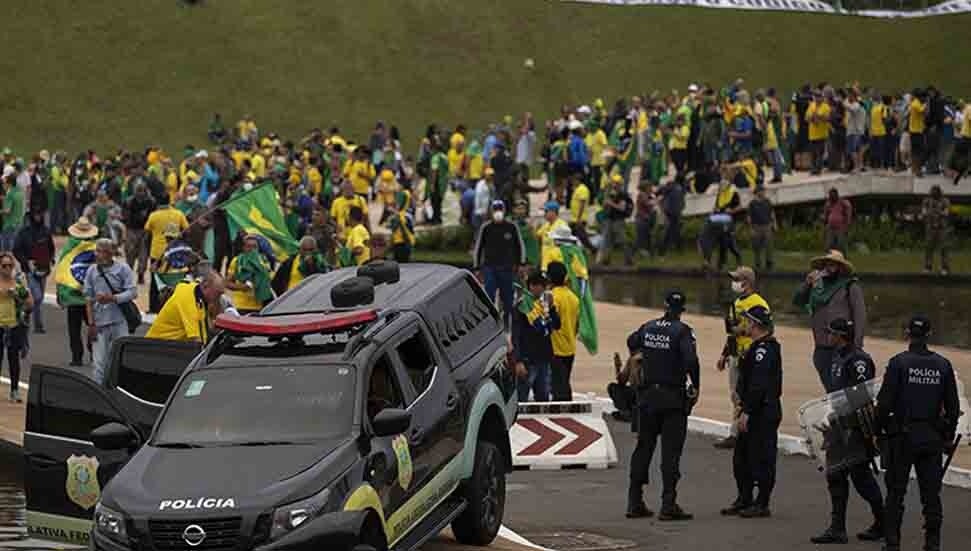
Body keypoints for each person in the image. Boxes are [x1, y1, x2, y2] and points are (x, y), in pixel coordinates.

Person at [876, 316, 960, 551]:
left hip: (902, 436)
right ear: (929, 335)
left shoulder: (898, 363)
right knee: (931, 496)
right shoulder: (943, 365)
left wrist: (878, 431)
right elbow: (953, 408)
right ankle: (932, 544)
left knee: (895, 493)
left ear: (907, 334)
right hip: (931, 437)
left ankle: (892, 544)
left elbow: (884, 404)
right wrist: (948, 436)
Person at [625, 291, 699, 521]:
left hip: (647, 397)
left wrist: (639, 357)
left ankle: (634, 501)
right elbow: (690, 360)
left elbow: (631, 340)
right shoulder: (683, 331)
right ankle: (668, 504)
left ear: (664, 305)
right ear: (682, 309)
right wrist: (696, 384)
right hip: (672, 398)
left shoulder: (648, 326)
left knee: (643, 448)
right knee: (671, 453)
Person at [810, 318, 885, 544]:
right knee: (835, 475)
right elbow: (836, 392)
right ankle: (837, 527)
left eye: (831, 333)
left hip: (853, 427)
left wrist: (846, 419)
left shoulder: (859, 360)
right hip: (837, 425)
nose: (828, 336)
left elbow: (862, 396)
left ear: (841, 335)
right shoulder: (837, 356)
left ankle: (883, 521)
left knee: (861, 478)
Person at [721, 305, 781, 519]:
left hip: (762, 412)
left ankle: (762, 502)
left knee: (762, 457)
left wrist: (747, 411)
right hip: (749, 408)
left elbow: (759, 385)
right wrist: (738, 397)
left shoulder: (765, 350)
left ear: (755, 324)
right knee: (741, 458)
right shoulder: (755, 347)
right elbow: (746, 380)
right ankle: (744, 498)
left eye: (746, 321)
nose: (742, 325)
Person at [793, 250, 866, 390]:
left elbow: (860, 316)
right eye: (827, 263)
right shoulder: (817, 286)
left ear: (841, 267)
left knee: (845, 390)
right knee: (831, 391)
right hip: (821, 347)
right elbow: (797, 301)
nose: (830, 266)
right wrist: (807, 284)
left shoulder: (850, 286)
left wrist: (857, 345)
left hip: (843, 348)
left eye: (834, 264)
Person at [714, 267, 769, 450]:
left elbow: (767, 328)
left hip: (751, 354)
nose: (734, 283)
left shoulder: (758, 303)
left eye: (737, 279)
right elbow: (732, 333)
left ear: (747, 282)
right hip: (736, 354)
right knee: (736, 395)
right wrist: (724, 354)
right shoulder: (736, 302)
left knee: (749, 394)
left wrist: (743, 331)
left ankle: (743, 433)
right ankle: (736, 432)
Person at [82, 239, 136, 384]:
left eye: (100, 251)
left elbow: (132, 292)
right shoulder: (92, 271)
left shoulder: (123, 269)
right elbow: (88, 298)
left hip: (120, 321)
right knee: (99, 363)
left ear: (110, 253)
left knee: (121, 358)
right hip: (99, 323)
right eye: (96, 251)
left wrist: (113, 298)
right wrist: (91, 324)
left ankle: (121, 388)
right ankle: (100, 393)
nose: (97, 254)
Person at [473, 200, 525, 329]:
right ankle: (491, 324)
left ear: (504, 211)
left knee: (507, 299)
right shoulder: (486, 228)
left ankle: (507, 323)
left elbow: (520, 246)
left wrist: (521, 264)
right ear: (491, 211)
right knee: (489, 296)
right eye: (495, 210)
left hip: (507, 269)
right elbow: (478, 248)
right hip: (490, 268)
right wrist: (477, 267)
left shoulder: (511, 227)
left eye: (500, 209)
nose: (498, 212)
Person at [511, 270, 559, 403]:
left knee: (543, 398)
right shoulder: (522, 306)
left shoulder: (545, 305)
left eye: (541, 285)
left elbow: (556, 325)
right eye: (534, 285)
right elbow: (516, 335)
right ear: (529, 286)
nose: (538, 288)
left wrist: (552, 308)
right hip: (527, 359)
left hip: (544, 357)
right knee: (521, 399)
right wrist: (518, 360)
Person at [145, 272, 228, 343]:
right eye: (218, 293)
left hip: (170, 346)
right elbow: (196, 340)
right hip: (156, 347)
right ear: (206, 286)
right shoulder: (188, 298)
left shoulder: (198, 295)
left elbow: (205, 332)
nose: (219, 298)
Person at [13, 209, 54, 334]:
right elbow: (16, 250)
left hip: (44, 268)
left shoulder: (46, 231)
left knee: (39, 299)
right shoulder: (23, 233)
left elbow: (51, 247)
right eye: (36, 215)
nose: (38, 217)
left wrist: (51, 259)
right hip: (30, 270)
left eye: (39, 214)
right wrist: (26, 262)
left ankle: (31, 319)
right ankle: (37, 324)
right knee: (37, 297)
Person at [0, 252, 31, 402]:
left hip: (14, 325)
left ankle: (14, 390)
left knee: (14, 360)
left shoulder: (18, 283)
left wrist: (17, 296)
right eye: (4, 265)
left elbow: (29, 303)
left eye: (10, 265)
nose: (7, 268)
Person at [547, 261, 580, 402]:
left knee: (559, 389)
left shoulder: (550, 297)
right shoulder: (574, 298)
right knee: (564, 383)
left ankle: (564, 416)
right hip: (570, 347)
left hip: (555, 348)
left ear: (548, 278)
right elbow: (577, 325)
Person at [227, 234, 273, 314]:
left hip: (258, 306)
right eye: (248, 246)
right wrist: (241, 287)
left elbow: (269, 280)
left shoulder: (264, 261)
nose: (252, 249)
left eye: (254, 246)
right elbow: (227, 283)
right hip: (240, 305)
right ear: (243, 248)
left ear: (258, 249)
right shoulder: (237, 261)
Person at [121, 182, 155, 285]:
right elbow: (125, 216)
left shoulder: (151, 202)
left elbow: (153, 216)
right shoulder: (128, 202)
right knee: (130, 254)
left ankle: (140, 275)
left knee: (143, 255)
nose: (140, 193)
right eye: (138, 190)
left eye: (142, 190)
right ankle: (128, 275)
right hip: (131, 230)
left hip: (145, 230)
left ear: (146, 191)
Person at [597, 174, 634, 266]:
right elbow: (605, 206)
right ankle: (606, 260)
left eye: (616, 183)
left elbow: (622, 208)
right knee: (608, 240)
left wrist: (611, 203)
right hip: (609, 219)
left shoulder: (623, 195)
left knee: (623, 240)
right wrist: (606, 204)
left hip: (618, 220)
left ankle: (628, 259)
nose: (614, 185)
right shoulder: (610, 193)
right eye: (613, 183)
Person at [921, 185, 951, 275]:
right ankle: (928, 267)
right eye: (932, 192)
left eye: (936, 192)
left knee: (943, 248)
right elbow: (924, 212)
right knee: (928, 247)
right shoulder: (926, 201)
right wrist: (932, 212)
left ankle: (944, 268)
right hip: (930, 227)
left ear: (939, 192)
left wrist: (936, 211)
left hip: (942, 228)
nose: (934, 194)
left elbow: (946, 213)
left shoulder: (945, 201)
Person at [747, 186, 776, 272]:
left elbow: (772, 213)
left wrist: (774, 224)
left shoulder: (767, 201)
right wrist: (751, 228)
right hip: (756, 227)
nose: (763, 193)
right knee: (756, 247)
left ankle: (769, 263)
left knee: (769, 246)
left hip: (767, 226)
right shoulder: (752, 203)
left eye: (764, 191)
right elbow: (749, 217)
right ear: (757, 192)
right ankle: (758, 264)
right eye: (762, 191)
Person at [536, 201, 570, 273]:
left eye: (546, 211)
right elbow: (537, 235)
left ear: (553, 212)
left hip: (557, 265)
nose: (544, 214)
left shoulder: (562, 226)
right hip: (545, 264)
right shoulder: (546, 225)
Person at [822, 188, 852, 254]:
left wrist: (847, 225)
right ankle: (830, 259)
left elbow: (848, 211)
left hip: (840, 228)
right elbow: (825, 215)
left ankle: (843, 259)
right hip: (830, 228)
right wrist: (825, 224)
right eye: (830, 195)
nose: (831, 197)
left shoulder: (842, 202)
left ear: (836, 195)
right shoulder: (828, 204)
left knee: (841, 245)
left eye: (833, 195)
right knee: (828, 245)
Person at [1, 170, 25, 251]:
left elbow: (7, 211)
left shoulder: (10, 194)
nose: (4, 185)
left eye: (5, 183)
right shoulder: (20, 191)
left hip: (9, 225)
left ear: (9, 184)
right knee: (16, 247)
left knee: (6, 250)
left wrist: (1, 211)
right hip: (19, 222)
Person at [387, 195, 416, 263]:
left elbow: (396, 229)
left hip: (403, 243)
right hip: (403, 243)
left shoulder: (400, 216)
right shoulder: (407, 215)